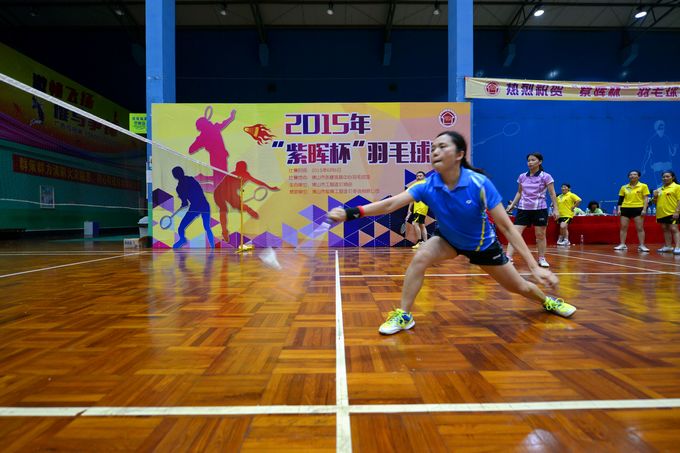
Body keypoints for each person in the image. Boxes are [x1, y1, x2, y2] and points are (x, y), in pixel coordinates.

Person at [328, 131, 576, 335]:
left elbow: (508, 227)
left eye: (442, 146)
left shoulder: (479, 184)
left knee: (519, 287)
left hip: (482, 246)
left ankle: (547, 301)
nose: (435, 151)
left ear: (459, 155)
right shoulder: (427, 186)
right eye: (433, 148)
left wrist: (534, 267)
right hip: (447, 240)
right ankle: (404, 314)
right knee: (420, 258)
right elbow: (390, 204)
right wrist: (351, 213)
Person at [504, 153, 559, 267]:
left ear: (540, 162)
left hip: (539, 209)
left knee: (540, 235)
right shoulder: (522, 176)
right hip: (523, 209)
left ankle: (541, 258)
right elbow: (519, 192)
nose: (530, 162)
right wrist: (512, 205)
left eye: (533, 160)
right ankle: (508, 257)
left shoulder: (546, 176)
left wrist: (556, 209)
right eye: (528, 160)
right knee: (515, 234)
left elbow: (552, 194)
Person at [171, 166, 215, 249]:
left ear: (175, 176)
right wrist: (185, 202)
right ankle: (213, 246)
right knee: (207, 227)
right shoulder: (190, 180)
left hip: (196, 207)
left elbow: (186, 203)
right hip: (202, 206)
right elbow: (198, 193)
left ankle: (182, 239)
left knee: (181, 228)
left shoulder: (180, 187)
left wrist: (184, 203)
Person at [614, 170, 651, 252]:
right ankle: (622, 244)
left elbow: (646, 199)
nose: (632, 176)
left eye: (634, 174)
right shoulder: (624, 187)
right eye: (630, 174)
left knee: (639, 228)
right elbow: (620, 200)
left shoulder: (643, 186)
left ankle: (642, 245)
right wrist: (619, 209)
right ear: (628, 177)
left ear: (639, 176)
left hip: (638, 208)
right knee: (623, 227)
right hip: (625, 208)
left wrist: (644, 209)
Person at [652, 170, 680, 254]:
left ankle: (678, 247)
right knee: (665, 229)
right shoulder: (660, 189)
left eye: (667, 176)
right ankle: (668, 246)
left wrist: (677, 211)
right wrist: (655, 196)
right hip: (661, 213)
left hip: (672, 212)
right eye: (664, 177)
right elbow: (655, 202)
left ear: (673, 177)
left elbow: (679, 200)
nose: (665, 178)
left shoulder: (677, 187)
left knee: (674, 229)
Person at [405, 171, 429, 249]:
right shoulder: (416, 186)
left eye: (420, 176)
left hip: (421, 208)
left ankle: (420, 242)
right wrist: (409, 210)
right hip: (417, 208)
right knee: (422, 225)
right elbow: (412, 198)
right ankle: (426, 243)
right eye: (417, 176)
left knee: (415, 223)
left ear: (424, 177)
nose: (418, 177)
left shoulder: (424, 185)